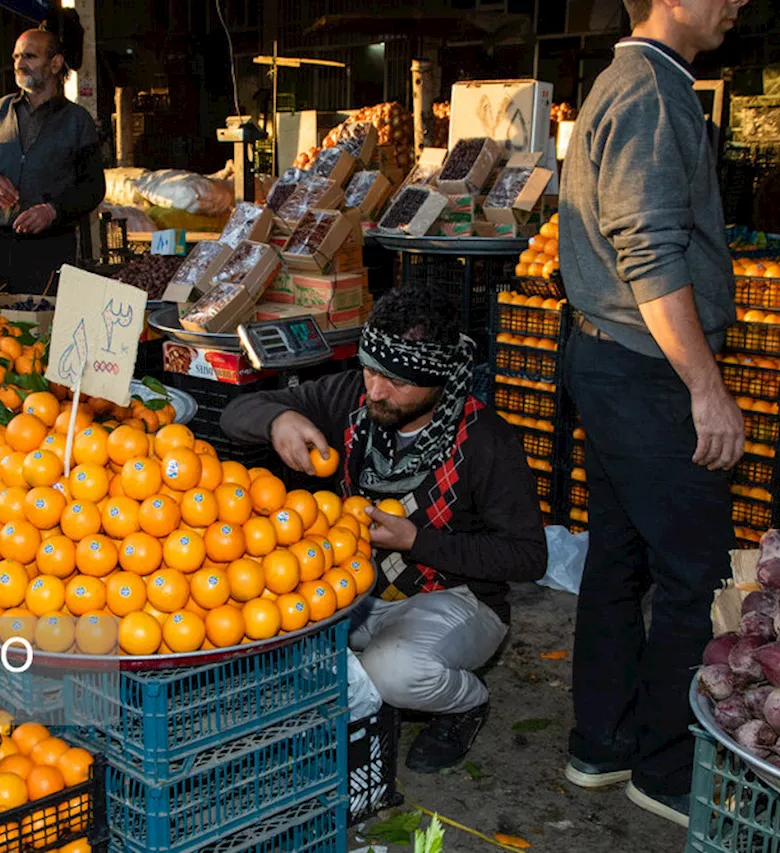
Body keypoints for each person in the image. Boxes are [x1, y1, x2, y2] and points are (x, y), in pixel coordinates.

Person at [219, 284, 546, 773]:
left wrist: (418, 541)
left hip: (456, 600)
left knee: (394, 673)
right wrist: (280, 420)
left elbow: (527, 557)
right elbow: (235, 412)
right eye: (371, 370)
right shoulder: (349, 398)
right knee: (261, 640)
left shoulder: (486, 441)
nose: (377, 390)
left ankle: (466, 703)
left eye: (397, 382)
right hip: (354, 593)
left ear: (438, 380)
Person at [557, 0, 748, 825]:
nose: (738, 3)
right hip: (644, 367)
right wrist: (706, 386)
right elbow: (648, 249)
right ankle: (665, 768)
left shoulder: (633, 79)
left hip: (615, 358)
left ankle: (602, 744)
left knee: (618, 557)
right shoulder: (651, 92)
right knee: (694, 569)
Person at [0, 27, 106, 297]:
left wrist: (53, 211)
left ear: (55, 63)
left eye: (29, 56)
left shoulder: (77, 121)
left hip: (48, 248)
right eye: (16, 56)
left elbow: (93, 187)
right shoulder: (0, 111)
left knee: (40, 330)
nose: (19, 64)